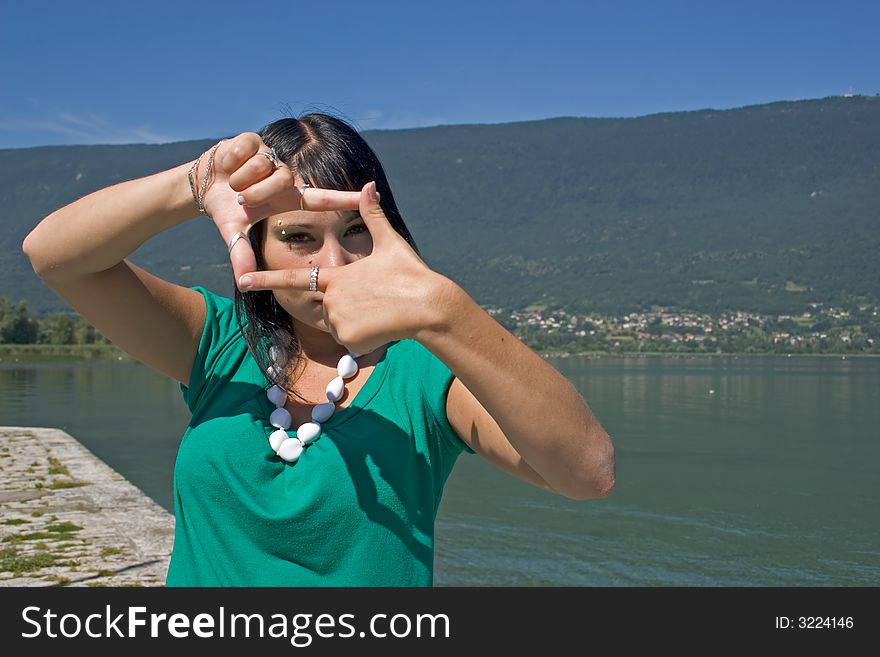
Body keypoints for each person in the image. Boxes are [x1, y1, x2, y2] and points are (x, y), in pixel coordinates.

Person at [22, 113, 615, 586]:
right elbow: (54, 255)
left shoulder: (424, 372)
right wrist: (197, 185)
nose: (333, 266)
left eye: (356, 229)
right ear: (255, 244)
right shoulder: (221, 343)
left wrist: (448, 313)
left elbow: (587, 474)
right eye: (299, 236)